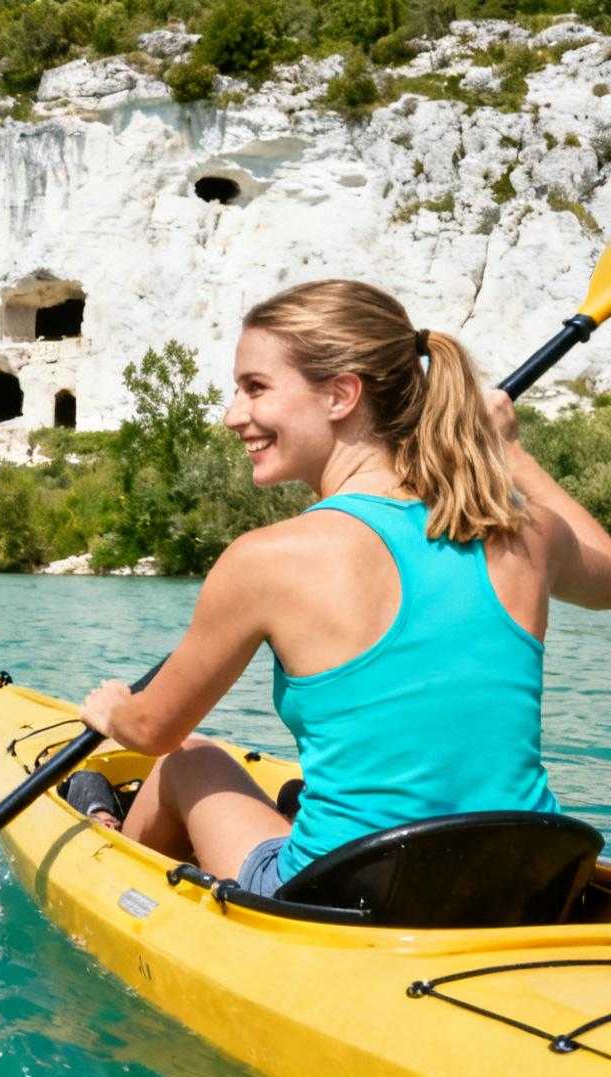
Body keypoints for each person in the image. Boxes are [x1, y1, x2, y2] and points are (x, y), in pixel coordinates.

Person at [76, 279, 611, 897]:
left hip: (353, 896)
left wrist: (113, 706)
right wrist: (511, 452)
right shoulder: (523, 534)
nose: (232, 415)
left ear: (340, 394)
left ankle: (121, 884)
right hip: (527, 880)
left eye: (255, 388)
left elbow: (152, 731)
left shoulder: (268, 559)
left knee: (190, 761)